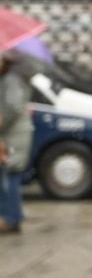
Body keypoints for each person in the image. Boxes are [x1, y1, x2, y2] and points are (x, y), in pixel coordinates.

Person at [0, 50, 33, 234]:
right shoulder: (8, 78)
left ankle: (11, 218)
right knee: (7, 175)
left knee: (10, 175)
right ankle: (10, 216)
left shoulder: (12, 79)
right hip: (12, 135)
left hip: (15, 136)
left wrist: (2, 119)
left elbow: (13, 106)